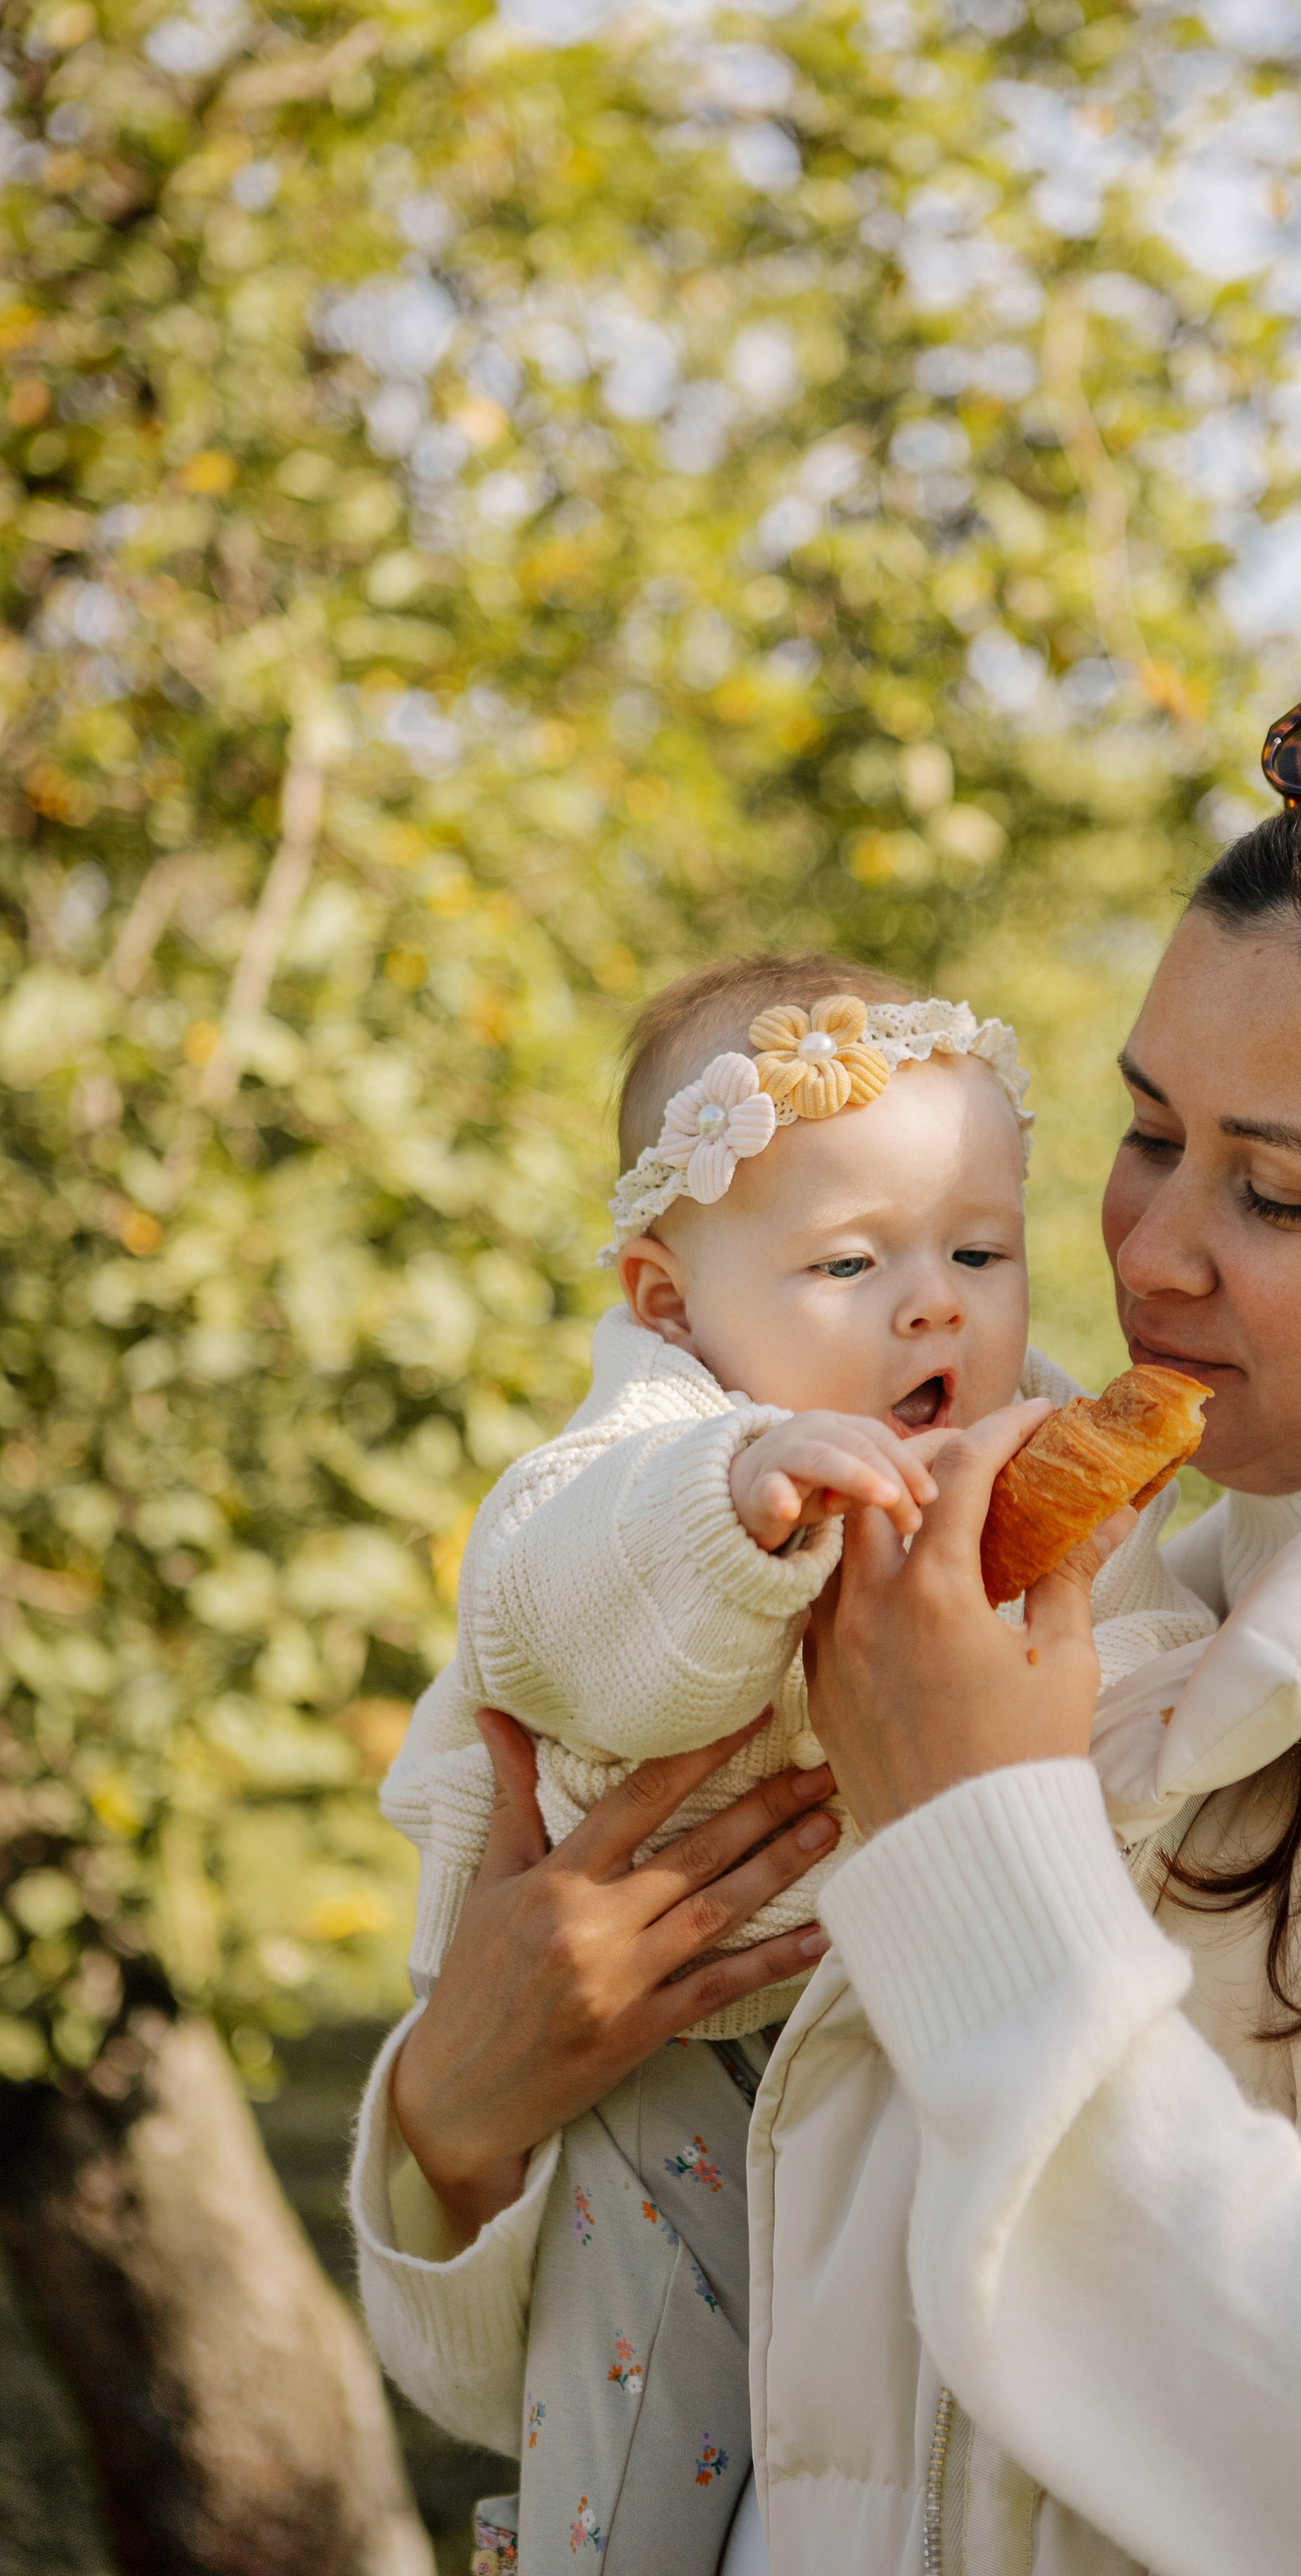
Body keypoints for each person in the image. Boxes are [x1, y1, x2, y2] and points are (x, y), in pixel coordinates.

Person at [358, 706, 1301, 2576]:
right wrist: (462, 2115)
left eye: (1271, 1192)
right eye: (1145, 1134)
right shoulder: (1123, 1620)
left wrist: (971, 1843)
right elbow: (701, 2403)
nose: (1151, 1250)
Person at [363, 951, 1207, 2572]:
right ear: (670, 1302)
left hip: (896, 2057)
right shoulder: (652, 1453)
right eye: (845, 1261)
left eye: (976, 1247)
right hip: (656, 2082)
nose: (933, 1304)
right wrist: (738, 1497)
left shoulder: (1037, 1445)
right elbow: (543, 1606)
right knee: (634, 2479)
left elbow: (1133, 1658)